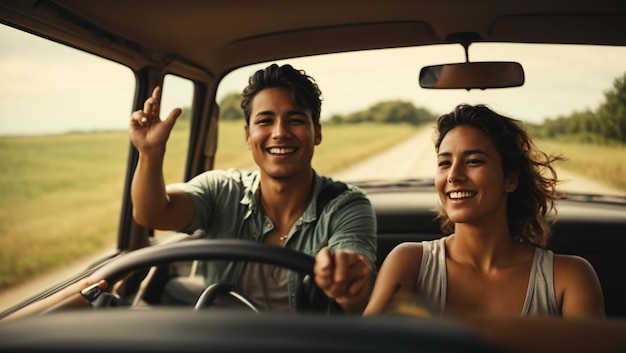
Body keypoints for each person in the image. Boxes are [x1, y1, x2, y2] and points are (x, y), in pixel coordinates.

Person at [129, 63, 377, 314]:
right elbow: (152, 213)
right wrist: (150, 153)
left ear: (317, 134)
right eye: (265, 121)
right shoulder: (222, 190)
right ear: (248, 137)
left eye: (295, 120)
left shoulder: (346, 206)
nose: (280, 133)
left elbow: (354, 271)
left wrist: (346, 277)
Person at [363, 103, 605, 318]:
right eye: (444, 163)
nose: (454, 176)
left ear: (510, 180)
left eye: (473, 161)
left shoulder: (570, 278)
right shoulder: (409, 263)